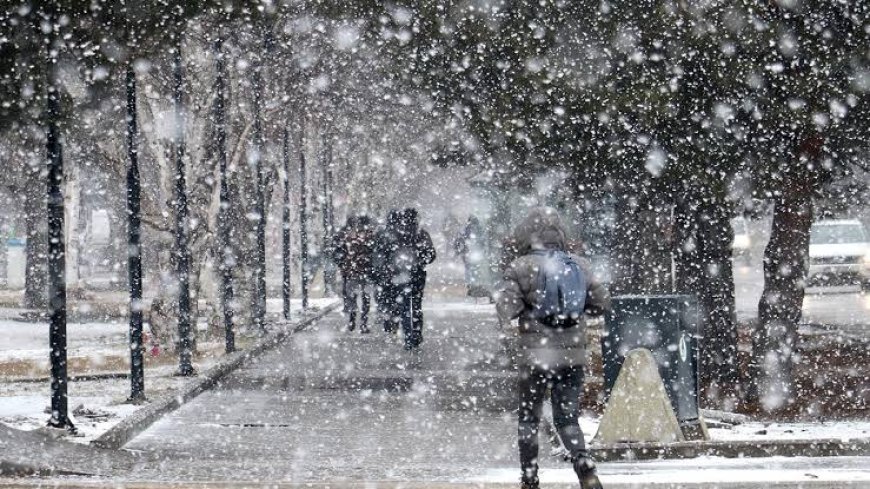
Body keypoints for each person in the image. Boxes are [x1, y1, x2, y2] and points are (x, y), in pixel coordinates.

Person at [496, 207, 610, 489]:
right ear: (560, 236)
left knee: (529, 417)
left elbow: (506, 309)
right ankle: (583, 461)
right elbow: (601, 302)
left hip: (535, 355)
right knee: (567, 416)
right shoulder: (579, 265)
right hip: (573, 354)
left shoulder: (520, 266)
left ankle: (530, 476)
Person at [385, 208, 436, 350]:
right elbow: (431, 254)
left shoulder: (396, 234)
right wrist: (421, 261)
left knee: (405, 306)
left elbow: (388, 254)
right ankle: (417, 334)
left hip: (401, 275)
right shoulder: (422, 234)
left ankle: (408, 336)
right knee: (417, 306)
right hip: (418, 274)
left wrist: (393, 267)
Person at [332, 214, 376, 333]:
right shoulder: (371, 236)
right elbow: (375, 255)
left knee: (352, 297)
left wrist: (344, 265)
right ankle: (363, 324)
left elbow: (340, 252)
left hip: (352, 271)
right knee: (365, 299)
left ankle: (352, 321)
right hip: (366, 272)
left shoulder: (349, 236)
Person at [373, 210, 402, 333]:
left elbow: (375, 251)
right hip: (397, 271)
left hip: (383, 271)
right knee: (396, 296)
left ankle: (387, 320)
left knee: (384, 296)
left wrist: (376, 268)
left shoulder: (381, 232)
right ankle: (394, 320)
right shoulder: (401, 232)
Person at [454, 216, 488, 297]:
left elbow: (459, 240)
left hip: (469, 252)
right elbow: (483, 240)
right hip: (473, 252)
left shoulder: (466, 229)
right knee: (474, 268)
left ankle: (471, 284)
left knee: (469, 268)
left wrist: (459, 250)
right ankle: (474, 284)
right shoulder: (478, 229)